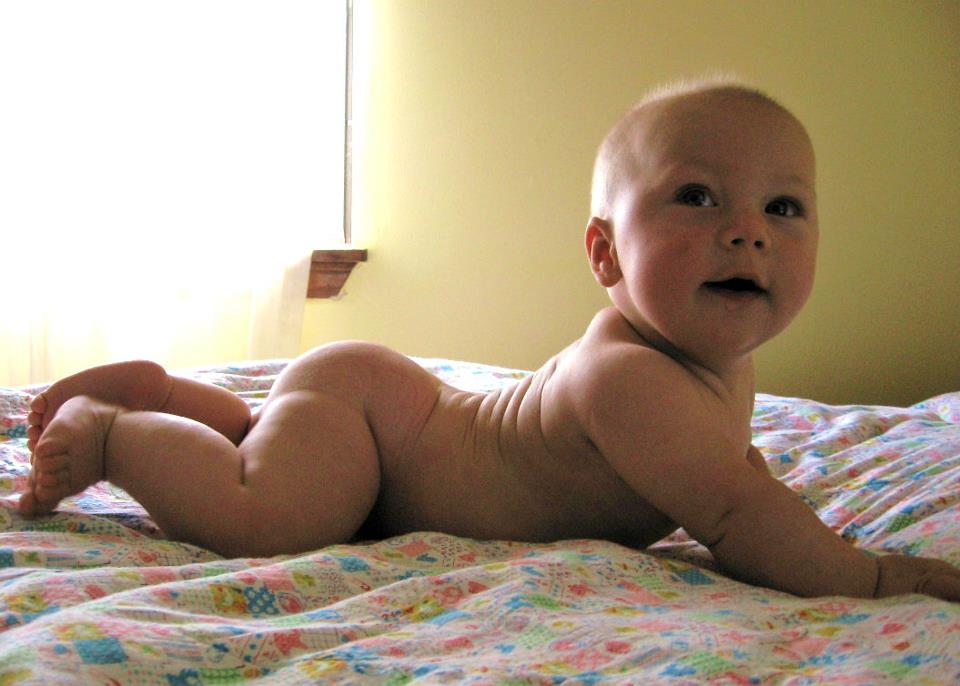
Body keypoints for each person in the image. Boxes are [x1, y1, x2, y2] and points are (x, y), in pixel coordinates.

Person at [19, 80, 960, 601]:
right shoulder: (630, 378)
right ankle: (114, 434)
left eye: (784, 207)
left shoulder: (718, 366)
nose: (748, 231)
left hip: (382, 409)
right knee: (271, 513)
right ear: (606, 253)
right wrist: (872, 576)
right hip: (381, 439)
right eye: (697, 196)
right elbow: (737, 513)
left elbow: (729, 472)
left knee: (285, 442)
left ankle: (176, 400)